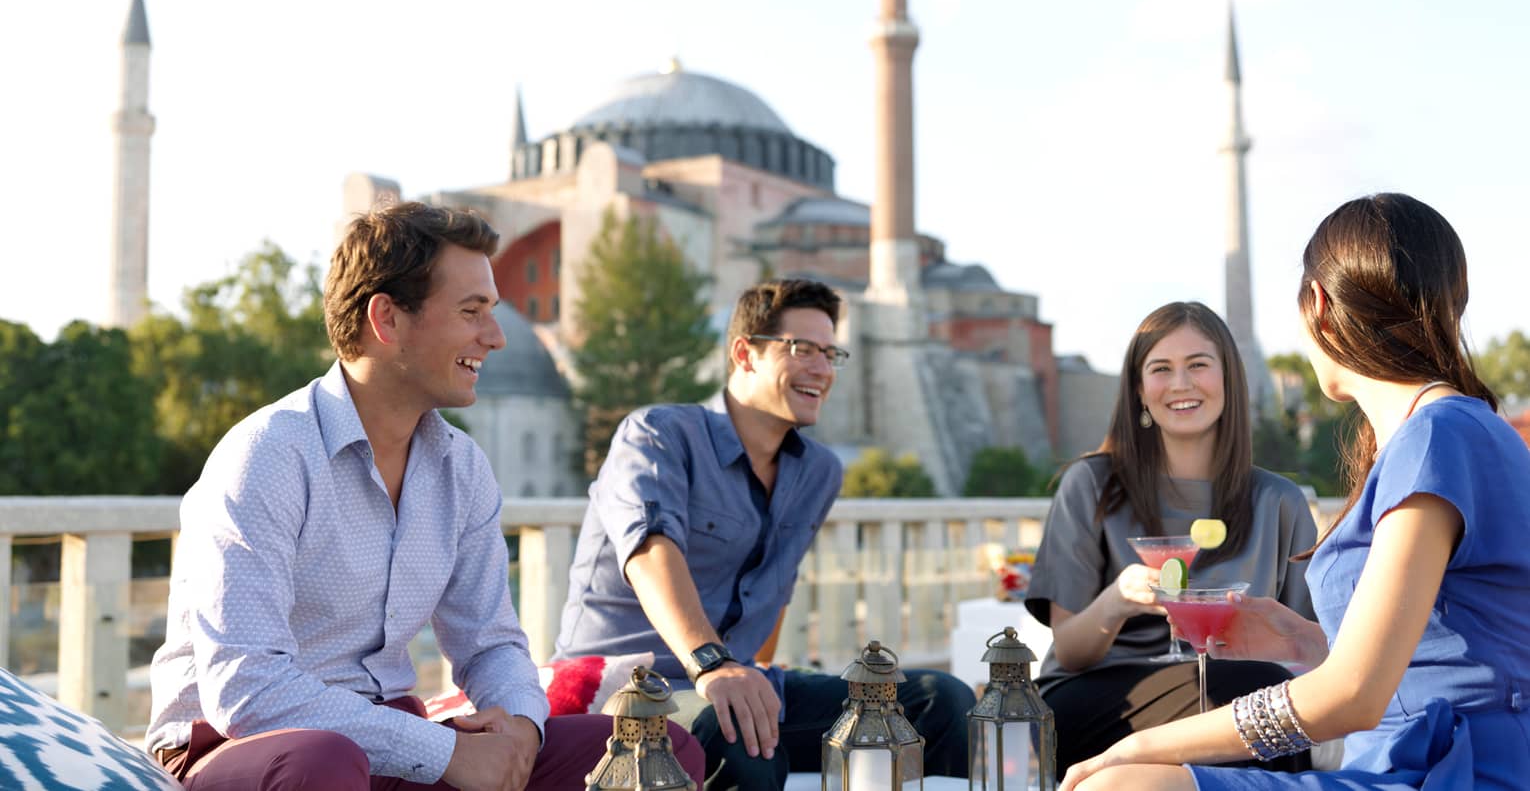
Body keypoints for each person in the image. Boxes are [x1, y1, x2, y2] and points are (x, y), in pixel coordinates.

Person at [146, 201, 703, 791]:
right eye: (472, 312)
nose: (495, 337)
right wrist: (442, 752)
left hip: (394, 742)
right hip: (239, 749)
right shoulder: (267, 456)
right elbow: (246, 688)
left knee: (656, 753)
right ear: (386, 318)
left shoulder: (461, 470)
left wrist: (520, 729)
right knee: (323, 763)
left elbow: (489, 644)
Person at [1059, 193, 1530, 790]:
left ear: (1318, 305)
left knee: (1125, 785)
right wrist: (1303, 642)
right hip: (1407, 761)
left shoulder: (1438, 437)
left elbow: (1355, 696)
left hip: (1449, 773)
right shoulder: (1444, 433)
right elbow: (1431, 653)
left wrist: (1137, 746)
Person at [552, 278, 975, 791]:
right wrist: (713, 663)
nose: (822, 368)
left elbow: (772, 588)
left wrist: (752, 670)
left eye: (830, 352)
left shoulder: (818, 472)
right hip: (625, 691)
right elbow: (649, 552)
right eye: (802, 349)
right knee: (743, 740)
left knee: (937, 701)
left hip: (733, 683)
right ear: (744, 354)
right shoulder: (658, 434)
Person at [1025, 301, 1319, 776]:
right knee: (1256, 700)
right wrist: (1118, 599)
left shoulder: (1279, 501)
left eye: (1198, 365)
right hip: (1094, 699)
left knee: (1267, 700)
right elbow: (1072, 652)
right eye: (1161, 369)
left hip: (1239, 688)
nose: (1181, 384)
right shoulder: (1091, 485)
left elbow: (1304, 651)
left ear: (1229, 378)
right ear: (1140, 391)